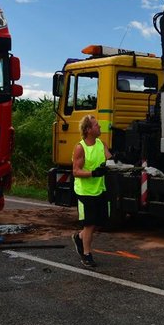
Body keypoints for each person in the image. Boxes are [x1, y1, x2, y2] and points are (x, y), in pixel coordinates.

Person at [70, 114, 112, 268]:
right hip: (85, 192)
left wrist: (118, 161)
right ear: (88, 129)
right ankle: (86, 254)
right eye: (96, 125)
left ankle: (79, 237)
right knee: (89, 224)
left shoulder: (101, 144)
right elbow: (76, 171)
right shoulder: (80, 148)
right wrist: (94, 173)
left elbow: (110, 161)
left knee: (99, 223)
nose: (99, 127)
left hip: (100, 189)